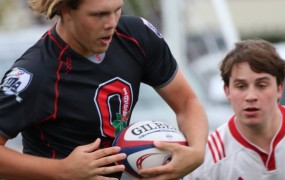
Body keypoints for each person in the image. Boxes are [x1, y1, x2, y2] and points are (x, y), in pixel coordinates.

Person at [0, 0, 208, 179]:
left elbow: (187, 102)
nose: (111, 23)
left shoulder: (138, 37)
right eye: (98, 14)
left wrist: (197, 152)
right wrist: (62, 170)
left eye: (117, 9)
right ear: (65, 10)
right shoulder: (36, 72)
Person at [183, 39, 285, 180]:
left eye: (262, 85)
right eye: (241, 86)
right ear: (227, 91)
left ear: (279, 88)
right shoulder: (209, 159)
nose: (251, 96)